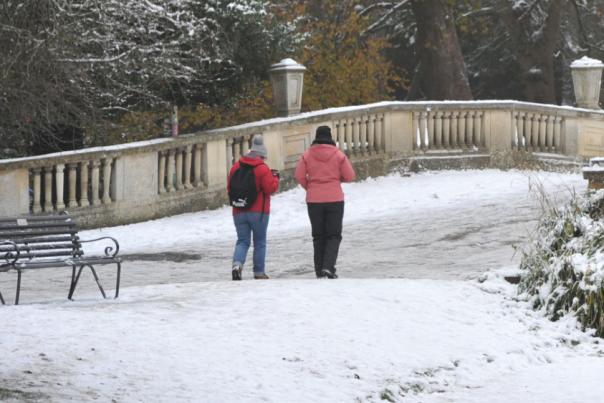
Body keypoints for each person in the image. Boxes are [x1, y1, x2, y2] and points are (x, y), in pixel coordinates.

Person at [294, 125, 356, 279]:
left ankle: (319, 270)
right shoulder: (339, 155)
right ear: (330, 137)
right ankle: (328, 267)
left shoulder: (307, 155)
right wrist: (337, 180)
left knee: (318, 236)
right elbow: (350, 176)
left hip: (314, 200)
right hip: (334, 198)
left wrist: (309, 186)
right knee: (333, 235)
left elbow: (299, 175)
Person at [228, 134, 279, 280]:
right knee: (260, 241)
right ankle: (259, 272)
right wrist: (275, 177)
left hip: (238, 210)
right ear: (261, 155)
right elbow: (270, 189)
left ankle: (237, 265)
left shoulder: (235, 167)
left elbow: (229, 188)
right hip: (258, 212)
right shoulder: (262, 169)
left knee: (242, 241)